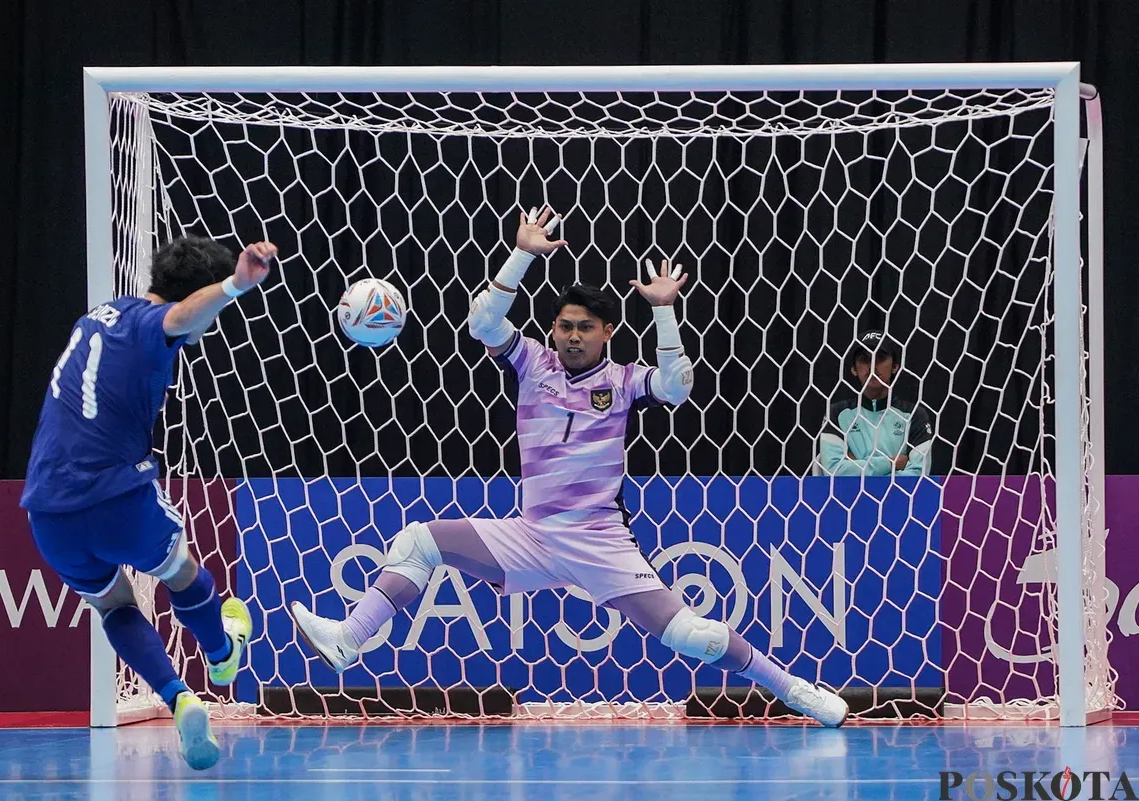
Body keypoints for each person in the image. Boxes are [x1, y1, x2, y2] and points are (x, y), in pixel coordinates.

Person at [291, 205, 848, 727]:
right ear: (553, 329)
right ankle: (349, 638)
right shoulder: (532, 361)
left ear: (606, 332)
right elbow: (483, 323)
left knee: (693, 636)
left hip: (599, 540)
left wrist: (664, 309)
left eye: (584, 327)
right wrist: (521, 254)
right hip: (532, 535)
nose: (573, 336)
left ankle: (795, 691)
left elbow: (677, 387)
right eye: (564, 326)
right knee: (419, 540)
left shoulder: (625, 381)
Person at [21, 236, 277, 769]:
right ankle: (223, 656)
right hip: (115, 496)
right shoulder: (150, 326)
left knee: (113, 604)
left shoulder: (97, 317)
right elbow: (179, 318)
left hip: (46, 509)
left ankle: (179, 698)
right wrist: (234, 286)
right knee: (183, 572)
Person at [818, 329, 933, 477]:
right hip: (851, 493)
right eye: (864, 359)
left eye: (880, 358)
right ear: (854, 369)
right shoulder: (836, 413)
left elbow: (919, 474)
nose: (872, 365)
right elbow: (833, 470)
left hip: (898, 493)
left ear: (895, 367)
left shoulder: (914, 415)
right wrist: (890, 463)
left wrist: (857, 465)